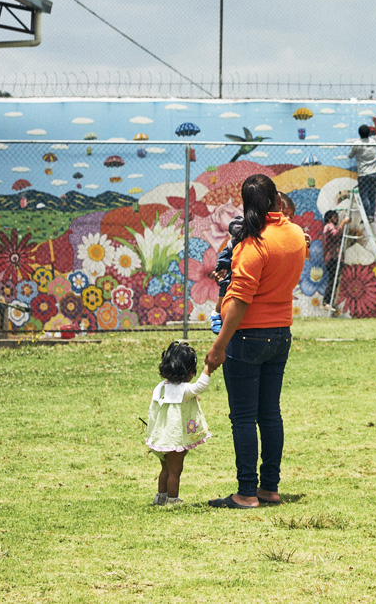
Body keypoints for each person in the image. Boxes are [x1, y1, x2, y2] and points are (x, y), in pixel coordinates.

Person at [205, 174, 307, 509]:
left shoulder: (252, 245)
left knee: (244, 417)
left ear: (247, 206)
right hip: (281, 334)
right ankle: (270, 488)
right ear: (277, 199)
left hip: (248, 337)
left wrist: (219, 346)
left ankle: (247, 492)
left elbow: (239, 302)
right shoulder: (294, 235)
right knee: (270, 413)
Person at [210, 192, 303, 334]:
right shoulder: (257, 227)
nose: (288, 219)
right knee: (227, 283)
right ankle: (217, 313)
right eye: (286, 214)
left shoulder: (288, 234)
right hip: (230, 256)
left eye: (291, 216)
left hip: (267, 323)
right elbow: (234, 226)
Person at [145, 341, 212, 506]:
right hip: (174, 440)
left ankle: (160, 497)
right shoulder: (184, 390)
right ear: (189, 372)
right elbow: (202, 385)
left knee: (165, 470)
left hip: (160, 439)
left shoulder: (160, 387)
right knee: (175, 471)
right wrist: (209, 367)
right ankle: (173, 500)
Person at [348, 118, 376, 235]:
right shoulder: (373, 141)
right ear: (369, 133)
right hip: (373, 173)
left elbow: (350, 155)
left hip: (363, 174)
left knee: (364, 196)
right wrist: (375, 122)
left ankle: (367, 215)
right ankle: (371, 215)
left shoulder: (357, 144)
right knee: (372, 195)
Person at [320, 209, 349, 309]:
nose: (336, 218)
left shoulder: (329, 226)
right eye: (334, 216)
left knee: (334, 280)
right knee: (333, 280)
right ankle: (326, 302)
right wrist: (343, 223)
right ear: (329, 218)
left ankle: (328, 302)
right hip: (332, 257)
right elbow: (336, 235)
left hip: (332, 257)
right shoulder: (329, 226)